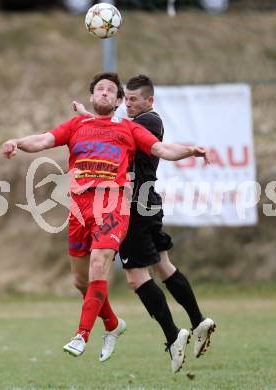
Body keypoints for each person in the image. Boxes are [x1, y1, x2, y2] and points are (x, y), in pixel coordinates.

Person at [2, 72, 209, 368]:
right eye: (99, 88)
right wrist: (17, 142)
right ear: (91, 96)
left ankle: (81, 334)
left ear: (119, 101)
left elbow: (161, 149)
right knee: (80, 281)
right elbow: (43, 139)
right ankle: (112, 324)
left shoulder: (128, 128)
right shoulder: (77, 124)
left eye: (111, 90)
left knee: (100, 265)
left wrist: (191, 150)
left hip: (112, 205)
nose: (104, 92)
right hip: (79, 208)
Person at [74, 74, 215, 373]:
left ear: (150, 100)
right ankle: (199, 320)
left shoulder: (148, 121)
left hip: (135, 206)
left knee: (136, 277)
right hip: (147, 201)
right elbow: (115, 130)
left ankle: (173, 335)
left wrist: (89, 116)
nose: (129, 105)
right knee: (163, 266)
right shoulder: (135, 121)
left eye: (134, 100)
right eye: (127, 100)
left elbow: (120, 134)